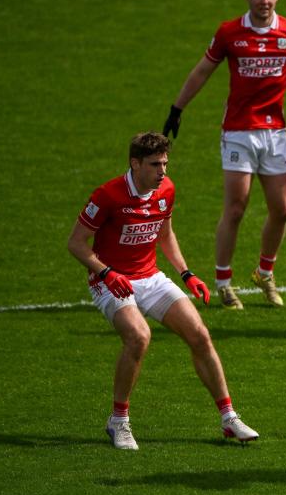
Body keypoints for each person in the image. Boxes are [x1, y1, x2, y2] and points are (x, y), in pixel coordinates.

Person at [67, 132, 258, 450]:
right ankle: (119, 421)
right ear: (135, 163)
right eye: (155, 164)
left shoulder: (166, 190)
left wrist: (187, 274)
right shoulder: (108, 196)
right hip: (110, 280)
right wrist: (106, 272)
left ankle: (228, 417)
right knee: (138, 337)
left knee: (200, 334)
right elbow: (75, 243)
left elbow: (165, 234)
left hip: (150, 277)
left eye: (165, 164)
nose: (163, 172)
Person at [162, 0, 286, 310]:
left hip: (275, 133)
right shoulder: (229, 33)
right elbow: (203, 70)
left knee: (283, 210)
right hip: (238, 131)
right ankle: (223, 281)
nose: (264, 1)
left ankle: (264, 273)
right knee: (236, 208)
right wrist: (178, 108)